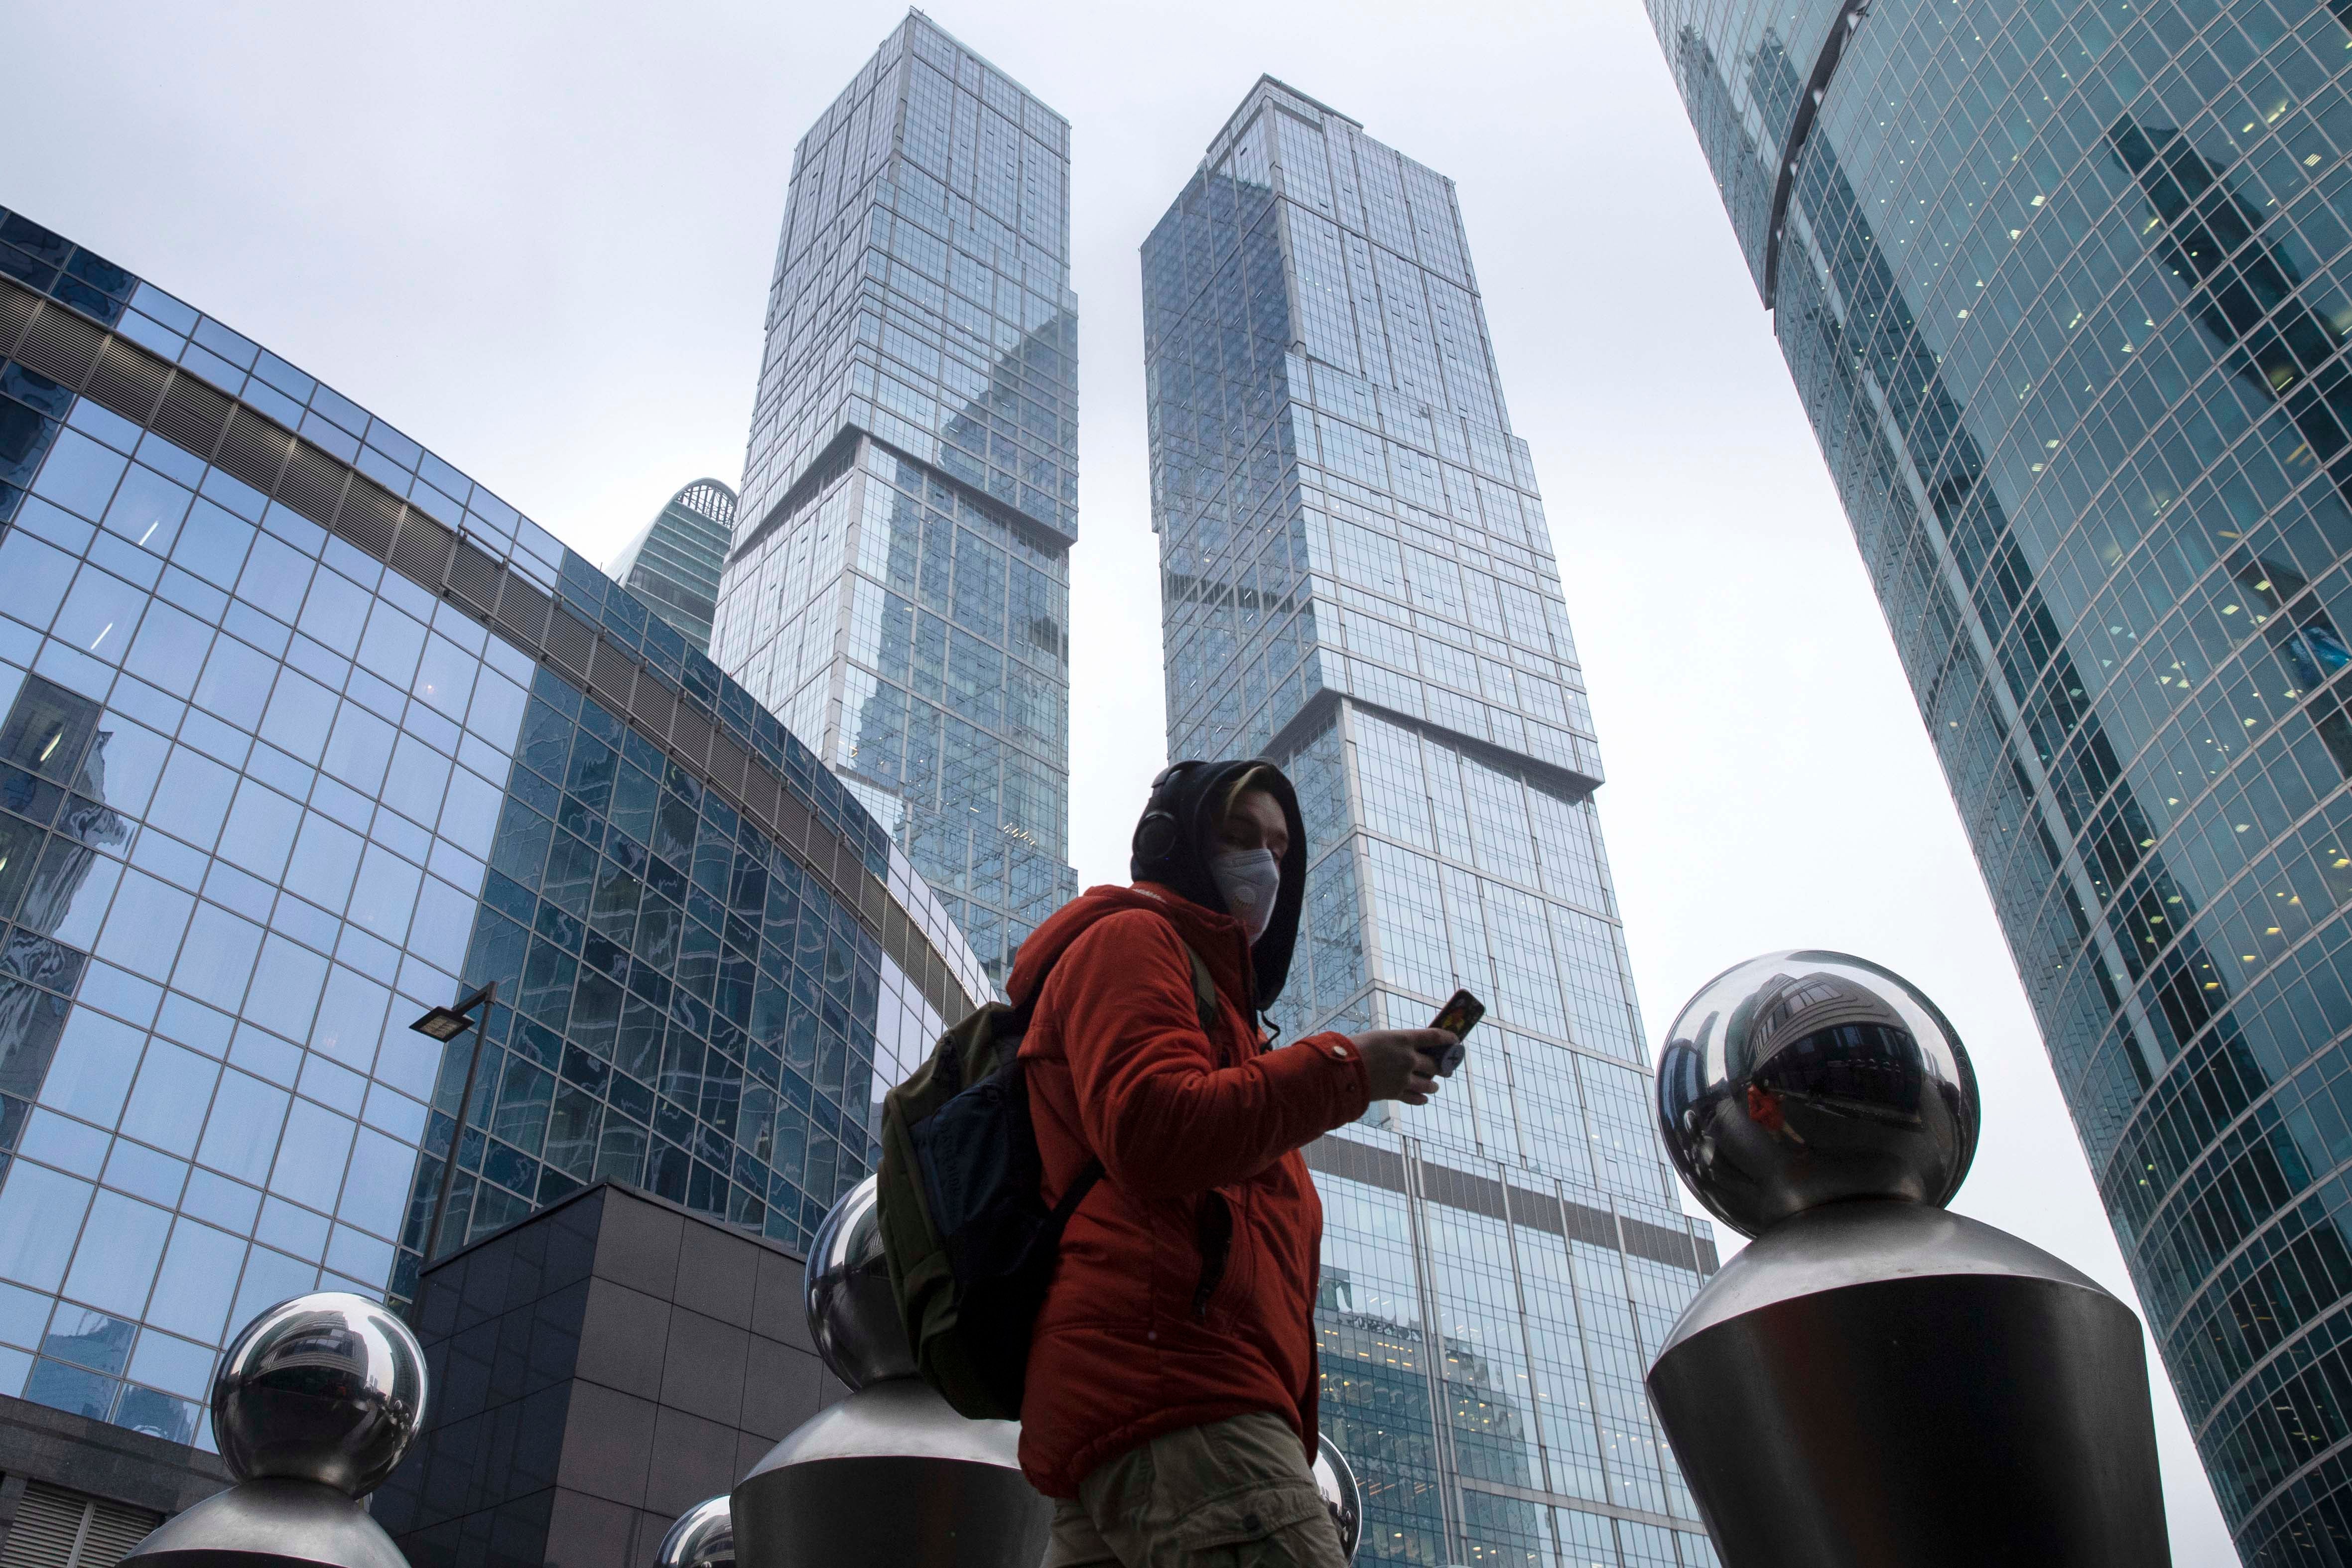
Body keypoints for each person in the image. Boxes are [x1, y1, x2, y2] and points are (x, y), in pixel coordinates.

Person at [1007, 759, 1455, 1568]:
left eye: (1280, 852)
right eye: (1239, 838)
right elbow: (1154, 1128)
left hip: (1149, 1405)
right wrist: (1350, 1070)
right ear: (1171, 843)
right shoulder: (1133, 940)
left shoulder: (1225, 1013)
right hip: (1180, 1392)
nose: (1263, 868)